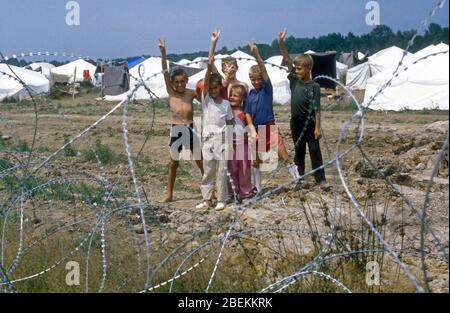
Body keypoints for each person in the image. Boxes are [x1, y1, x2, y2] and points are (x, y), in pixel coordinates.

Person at [245, 41, 300, 193]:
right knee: (255, 160)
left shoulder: (267, 90)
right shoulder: (249, 95)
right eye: (253, 79)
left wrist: (256, 54)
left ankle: (297, 180)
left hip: (269, 127)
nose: (256, 82)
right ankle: (257, 188)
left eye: (258, 79)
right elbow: (247, 113)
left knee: (284, 156)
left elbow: (263, 70)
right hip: (256, 131)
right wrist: (251, 129)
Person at [278, 28, 328, 189]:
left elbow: (317, 109)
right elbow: (286, 59)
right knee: (299, 151)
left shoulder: (314, 86)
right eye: (296, 68)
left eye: (299, 69)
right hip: (296, 122)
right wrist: (281, 43)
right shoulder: (294, 81)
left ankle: (320, 179)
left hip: (310, 122)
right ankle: (300, 179)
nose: (296, 71)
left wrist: (318, 127)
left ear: (308, 69)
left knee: (314, 150)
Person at [158, 38, 204, 203]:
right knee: (173, 163)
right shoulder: (171, 92)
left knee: (199, 160)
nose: (180, 84)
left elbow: (205, 97)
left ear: (186, 81)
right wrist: (163, 52)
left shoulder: (191, 93)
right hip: (177, 129)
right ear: (172, 83)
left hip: (191, 128)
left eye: (183, 81)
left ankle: (209, 190)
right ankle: (169, 193)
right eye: (176, 82)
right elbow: (164, 70)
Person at [196, 29, 234, 211]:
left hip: (223, 140)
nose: (213, 90)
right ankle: (206, 199)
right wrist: (213, 44)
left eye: (216, 87)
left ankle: (221, 199)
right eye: (210, 87)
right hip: (207, 140)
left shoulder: (226, 104)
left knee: (221, 171)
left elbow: (229, 123)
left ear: (221, 87)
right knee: (208, 170)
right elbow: (208, 70)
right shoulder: (206, 100)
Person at [227, 84, 257, 201]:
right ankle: (232, 193)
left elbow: (249, 125)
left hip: (243, 144)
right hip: (231, 145)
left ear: (242, 98)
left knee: (244, 169)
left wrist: (253, 134)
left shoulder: (245, 113)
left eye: (235, 96)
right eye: (230, 95)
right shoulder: (227, 112)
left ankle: (245, 193)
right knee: (232, 169)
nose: (232, 97)